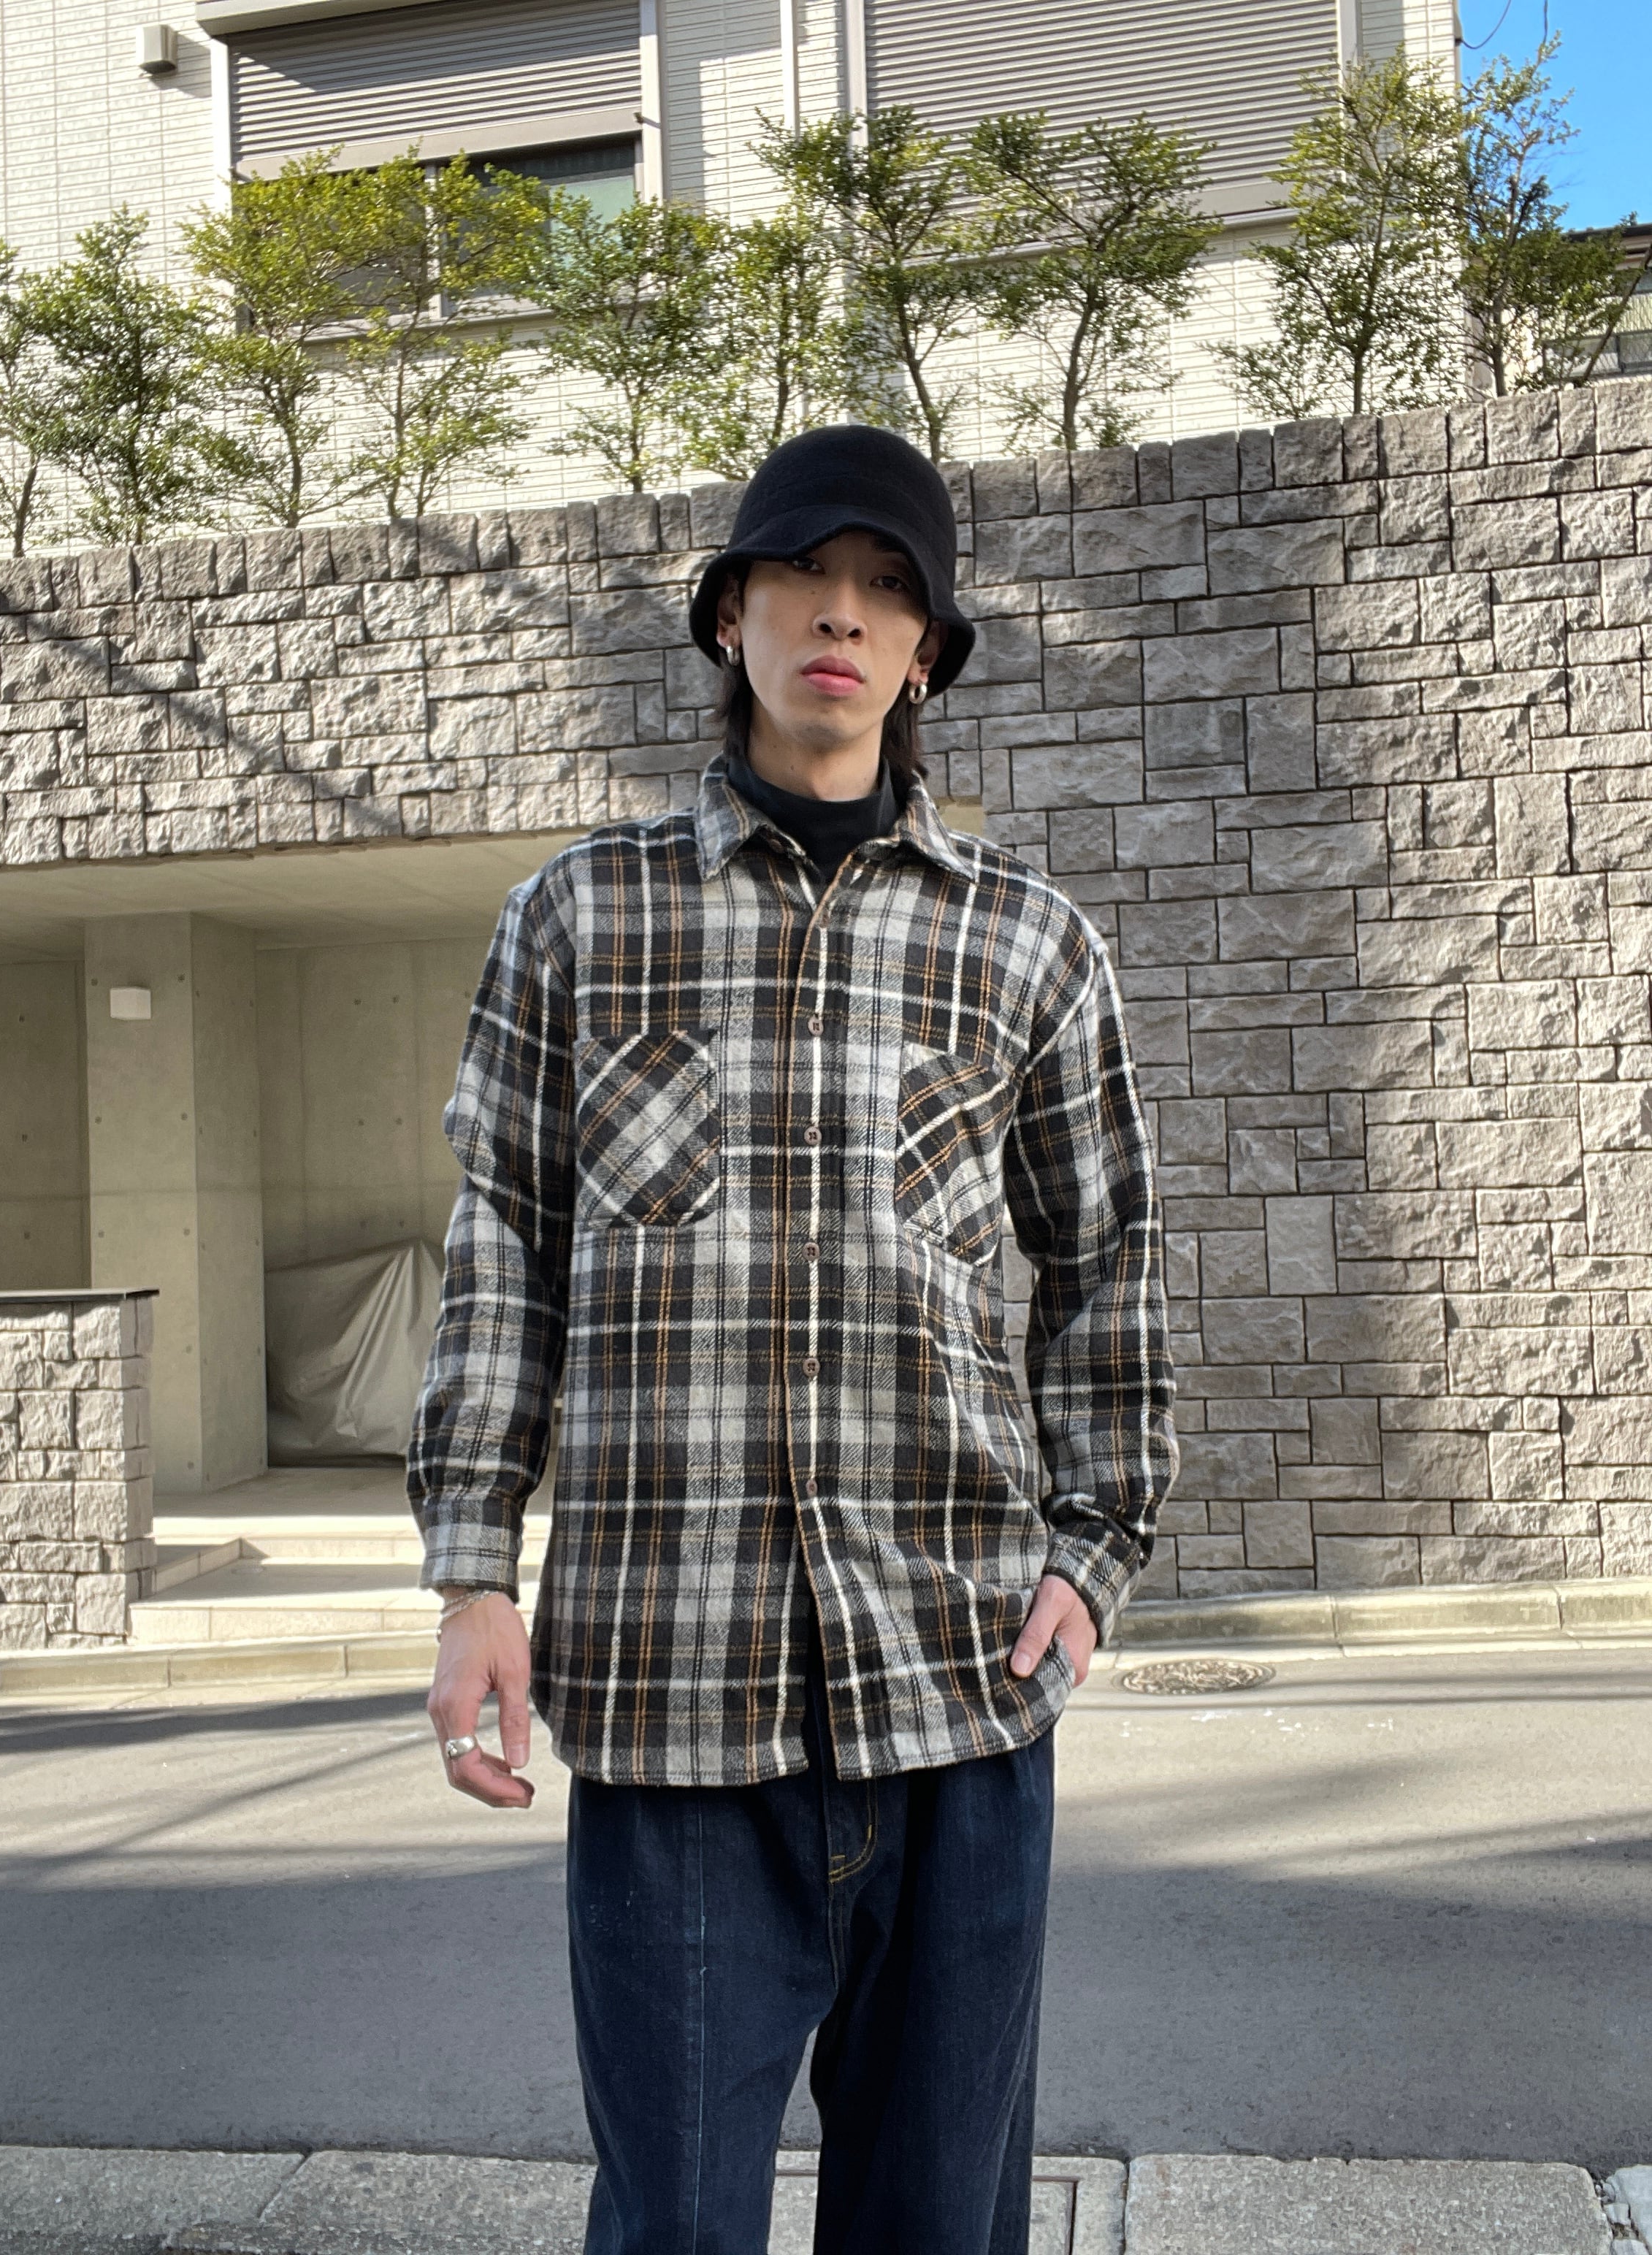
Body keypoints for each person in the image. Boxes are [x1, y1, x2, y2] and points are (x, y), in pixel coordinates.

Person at [409, 423, 1176, 2255]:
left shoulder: (1031, 944)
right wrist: (472, 1574)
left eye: (889, 587)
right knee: (672, 2220)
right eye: (805, 574)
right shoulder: (581, 917)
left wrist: (1095, 1547)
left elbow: (1106, 1261)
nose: (843, 612)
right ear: (729, 614)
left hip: (959, 1684)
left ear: (926, 650)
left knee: (941, 2220)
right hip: (672, 1697)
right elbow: (502, 1244)